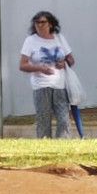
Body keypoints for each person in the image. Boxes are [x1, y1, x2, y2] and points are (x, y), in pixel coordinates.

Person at [18, 11, 75, 139]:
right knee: (44, 119)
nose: (39, 25)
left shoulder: (59, 38)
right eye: (36, 23)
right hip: (41, 85)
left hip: (60, 85)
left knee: (63, 119)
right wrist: (39, 68)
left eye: (42, 22)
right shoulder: (30, 41)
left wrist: (64, 62)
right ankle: (44, 144)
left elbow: (71, 59)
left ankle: (63, 145)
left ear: (50, 24)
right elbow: (22, 65)